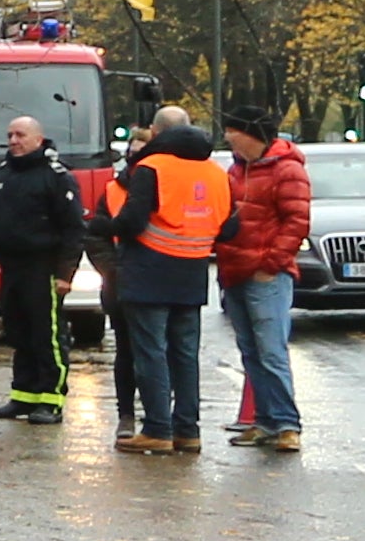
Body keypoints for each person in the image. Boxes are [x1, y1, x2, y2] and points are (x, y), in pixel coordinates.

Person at [122, 105, 232, 451]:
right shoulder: (215, 171)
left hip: (149, 271)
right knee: (185, 354)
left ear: (155, 134)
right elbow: (230, 226)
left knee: (151, 352)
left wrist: (102, 226)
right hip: (192, 272)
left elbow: (132, 221)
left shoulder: (151, 167)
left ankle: (157, 429)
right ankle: (188, 429)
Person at [213, 104, 313, 451]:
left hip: (265, 274)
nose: (226, 137)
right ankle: (265, 420)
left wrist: (272, 262)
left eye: (231, 130)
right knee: (251, 351)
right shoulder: (236, 170)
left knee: (271, 350)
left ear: (249, 133)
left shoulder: (287, 170)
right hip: (235, 270)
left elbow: (297, 220)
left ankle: (287, 424)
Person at [0, 114, 88, 424]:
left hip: (43, 268)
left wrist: (66, 274)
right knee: (18, 332)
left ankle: (51, 399)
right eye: (10, 135)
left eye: (20, 135)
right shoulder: (2, 174)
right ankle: (24, 395)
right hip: (12, 268)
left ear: (38, 139)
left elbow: (73, 229)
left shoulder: (56, 177)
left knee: (47, 336)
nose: (13, 141)